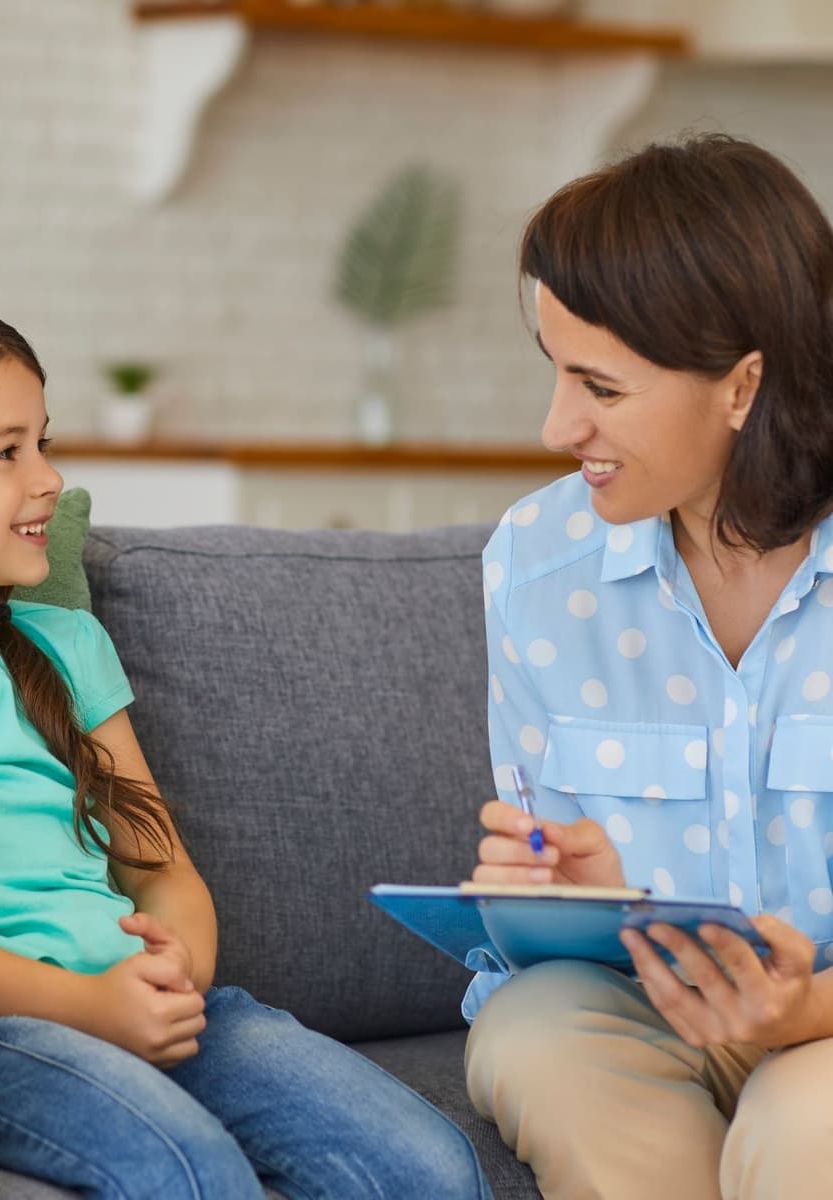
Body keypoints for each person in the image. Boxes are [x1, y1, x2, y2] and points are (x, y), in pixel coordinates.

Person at [0, 290, 494, 1200]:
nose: (50, 479)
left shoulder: (66, 650)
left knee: (434, 1167)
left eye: (43, 442)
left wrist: (174, 973)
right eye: (7, 452)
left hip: (142, 999)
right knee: (189, 1173)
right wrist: (87, 1007)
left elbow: (162, 869)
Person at [464, 134, 833, 1200]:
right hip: (640, 1001)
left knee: (804, 1130)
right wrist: (564, 896)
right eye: (555, 372)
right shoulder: (537, 564)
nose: (556, 427)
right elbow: (550, 873)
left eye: (601, 387)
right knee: (534, 1039)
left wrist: (799, 1011)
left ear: (743, 384)